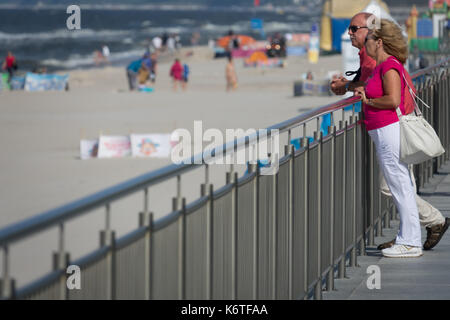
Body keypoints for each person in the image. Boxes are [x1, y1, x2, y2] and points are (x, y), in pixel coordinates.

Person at [331, 13, 449, 253]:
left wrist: (360, 94)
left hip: (391, 127)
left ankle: (418, 233)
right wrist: (353, 87)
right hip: (388, 127)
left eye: (355, 29)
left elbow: (387, 96)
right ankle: (408, 235)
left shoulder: (382, 63)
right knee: (401, 184)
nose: (351, 34)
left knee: (397, 185)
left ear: (377, 38)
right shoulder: (376, 60)